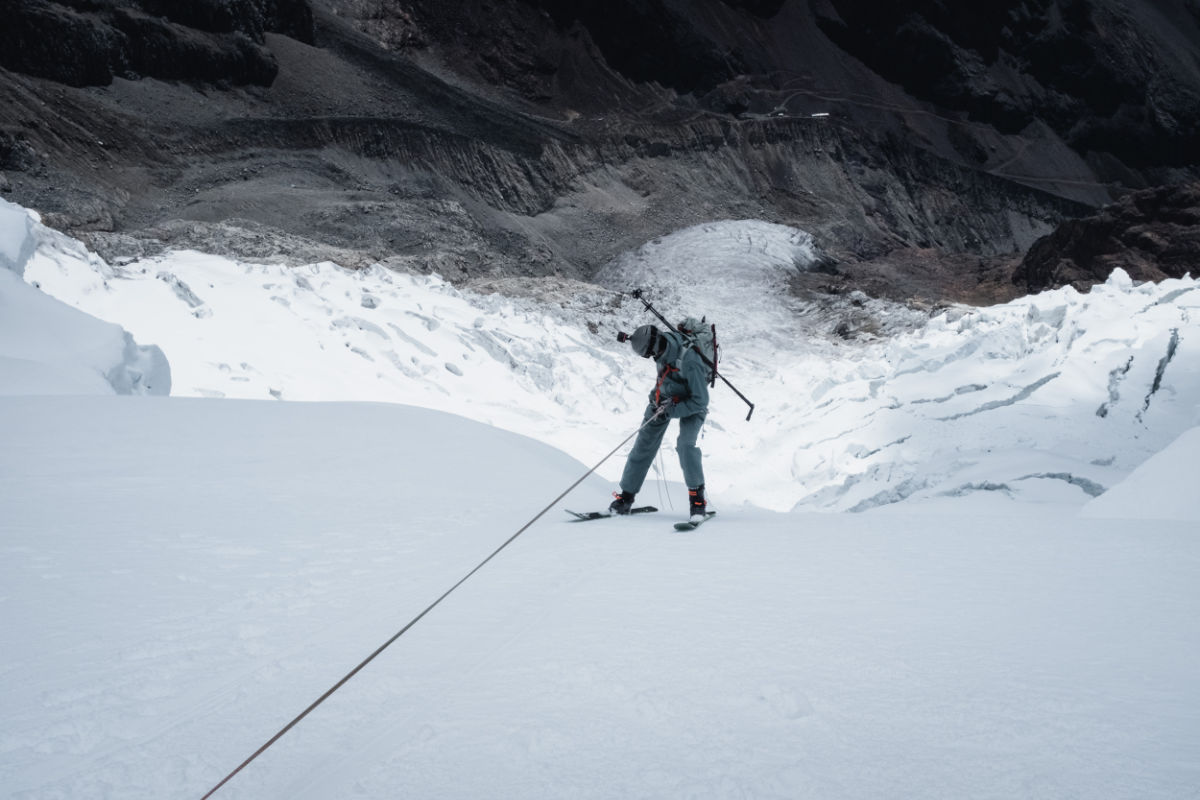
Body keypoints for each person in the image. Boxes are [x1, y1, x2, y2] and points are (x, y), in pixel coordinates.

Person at [610, 323, 710, 521]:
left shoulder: (689, 360)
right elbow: (663, 379)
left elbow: (701, 400)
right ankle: (626, 497)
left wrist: (673, 410)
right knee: (644, 442)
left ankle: (697, 500)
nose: (651, 357)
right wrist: (655, 401)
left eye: (649, 354)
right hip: (665, 401)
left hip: (692, 404)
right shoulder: (662, 352)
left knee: (685, 445)